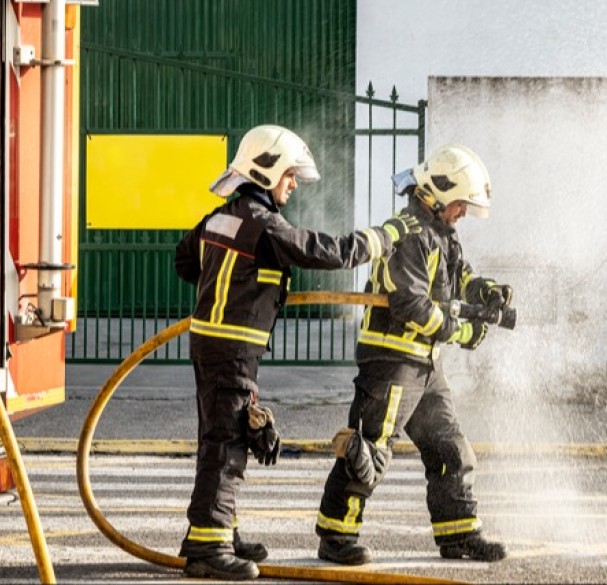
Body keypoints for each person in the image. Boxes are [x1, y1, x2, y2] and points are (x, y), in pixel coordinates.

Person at [174, 124, 418, 581]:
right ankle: (208, 547)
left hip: (210, 342)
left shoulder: (220, 217)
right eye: (289, 175)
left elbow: (184, 260)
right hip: (234, 348)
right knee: (227, 447)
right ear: (264, 172)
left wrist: (229, 288)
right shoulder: (265, 226)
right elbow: (328, 252)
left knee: (220, 437)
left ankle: (218, 530)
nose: (293, 184)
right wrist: (384, 237)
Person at [314, 144, 512, 565]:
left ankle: (458, 533)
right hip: (392, 362)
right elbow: (411, 305)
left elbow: (459, 278)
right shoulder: (408, 234)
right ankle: (336, 536)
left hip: (425, 364)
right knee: (369, 450)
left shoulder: (441, 233)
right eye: (461, 204)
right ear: (440, 194)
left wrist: (485, 291)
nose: (463, 212)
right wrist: (463, 331)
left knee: (450, 449)